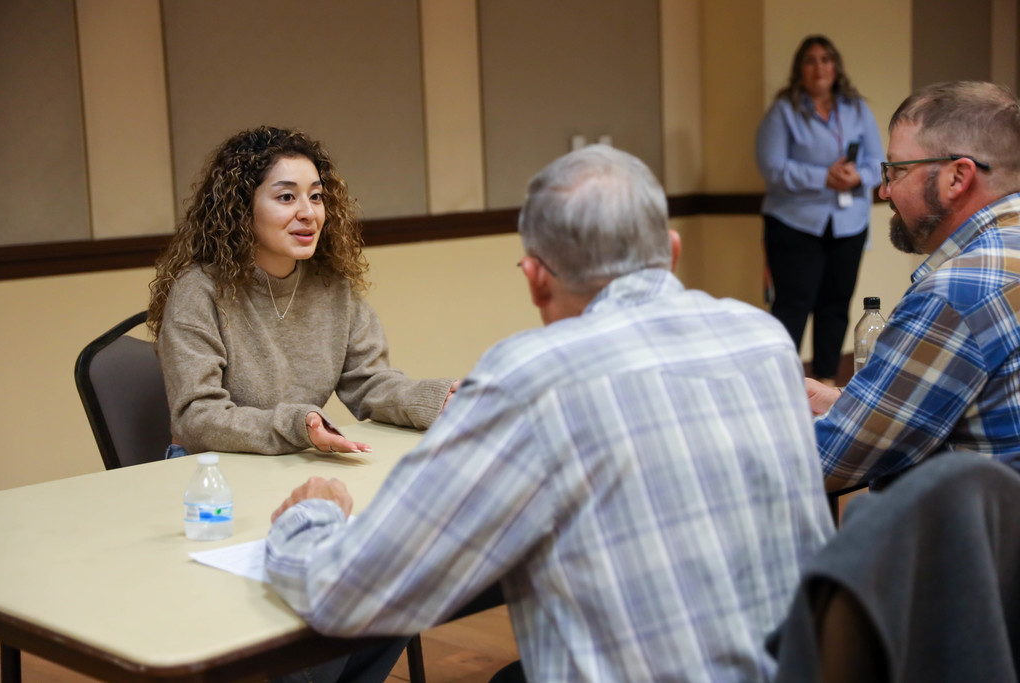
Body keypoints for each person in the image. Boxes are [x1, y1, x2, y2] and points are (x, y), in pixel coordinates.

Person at [265, 145, 834, 681]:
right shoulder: (762, 338)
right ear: (673, 251)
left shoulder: (534, 376)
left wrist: (309, 517)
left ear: (536, 281)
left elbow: (352, 593)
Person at [148, 126, 457, 458]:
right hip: (207, 475)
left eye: (315, 196)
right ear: (241, 209)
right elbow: (197, 418)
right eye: (286, 197)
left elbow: (369, 383)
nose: (308, 213)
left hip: (291, 461)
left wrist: (438, 400)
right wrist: (297, 425)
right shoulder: (197, 291)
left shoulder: (332, 286)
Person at [808, 81, 1020, 492]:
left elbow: (828, 462)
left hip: (979, 548)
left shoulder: (955, 294)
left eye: (896, 170)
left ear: (958, 176)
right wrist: (850, 406)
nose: (884, 190)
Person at [756, 35, 884, 385]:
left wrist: (856, 175)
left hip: (848, 224)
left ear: (836, 66)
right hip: (795, 223)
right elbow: (771, 166)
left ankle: (826, 381)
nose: (820, 67)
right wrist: (822, 177)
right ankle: (779, 383)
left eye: (826, 59)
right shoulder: (784, 111)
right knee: (793, 306)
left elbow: (879, 162)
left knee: (836, 304)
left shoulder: (856, 109)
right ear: (800, 68)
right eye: (811, 60)